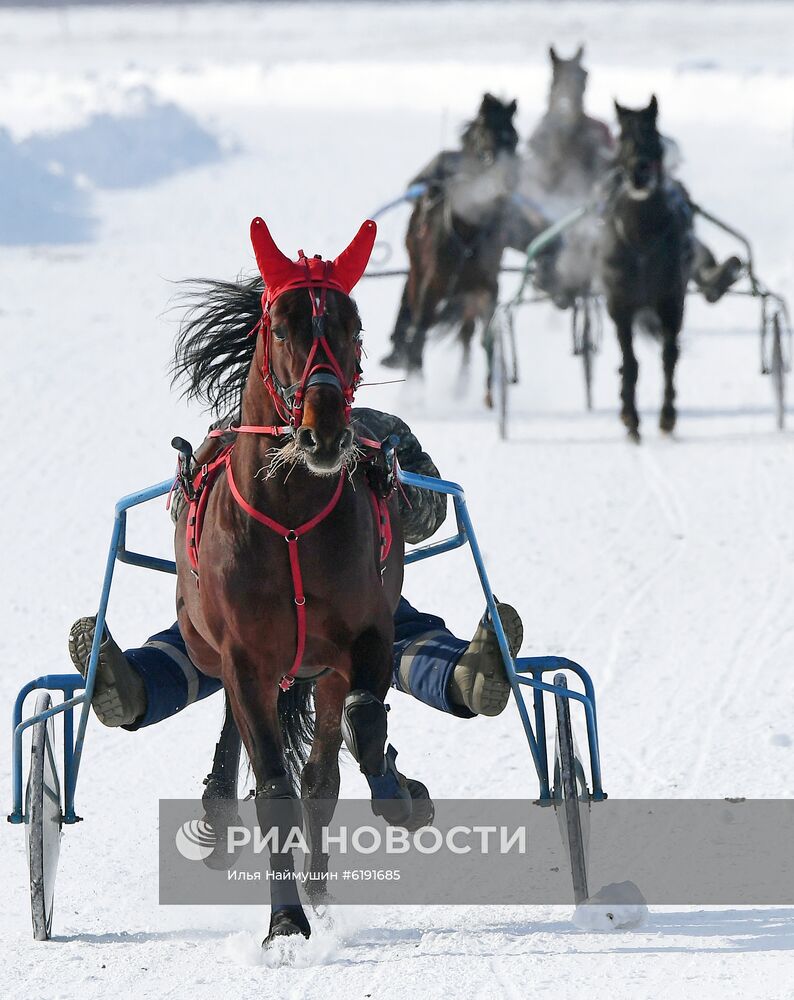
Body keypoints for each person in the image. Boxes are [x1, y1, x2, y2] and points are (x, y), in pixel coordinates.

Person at [68, 408, 523, 731]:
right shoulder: (376, 430)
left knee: (207, 640)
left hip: (252, 600)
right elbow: (430, 518)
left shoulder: (233, 432)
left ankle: (138, 688)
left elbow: (182, 516)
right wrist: (388, 484)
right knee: (385, 635)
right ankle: (459, 677)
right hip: (343, 597)